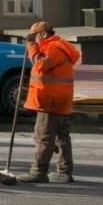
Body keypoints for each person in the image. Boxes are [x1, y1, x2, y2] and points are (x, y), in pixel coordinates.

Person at [18, 21, 80, 184]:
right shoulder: (58, 46)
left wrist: (31, 45)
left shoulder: (53, 47)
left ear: (43, 34)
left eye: (35, 36)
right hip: (58, 99)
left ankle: (39, 172)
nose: (33, 39)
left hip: (50, 101)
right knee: (61, 137)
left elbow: (40, 65)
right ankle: (65, 171)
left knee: (44, 137)